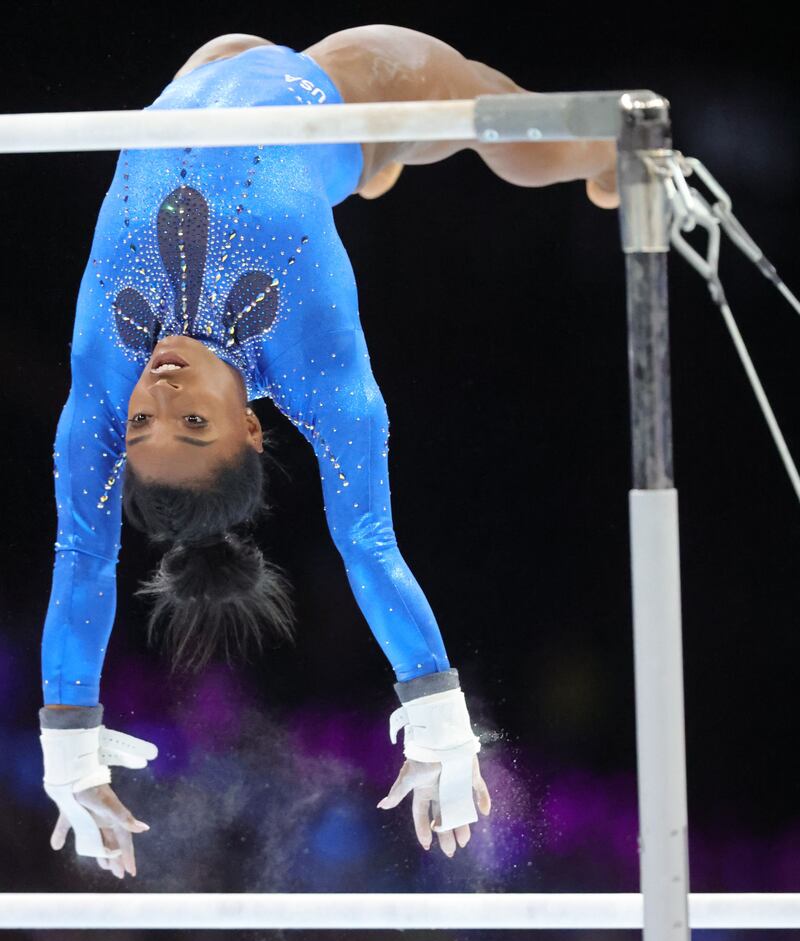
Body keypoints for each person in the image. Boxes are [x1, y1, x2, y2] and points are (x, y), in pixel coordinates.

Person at [39, 26, 620, 878]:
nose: (158, 395)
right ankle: (611, 155)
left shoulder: (101, 374)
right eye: (191, 422)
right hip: (333, 98)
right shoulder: (312, 359)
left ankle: (411, 160)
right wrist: (434, 710)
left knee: (435, 120)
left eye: (142, 427)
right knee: (493, 111)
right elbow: (367, 542)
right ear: (249, 427)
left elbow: (82, 554)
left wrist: (67, 739)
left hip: (203, 68)